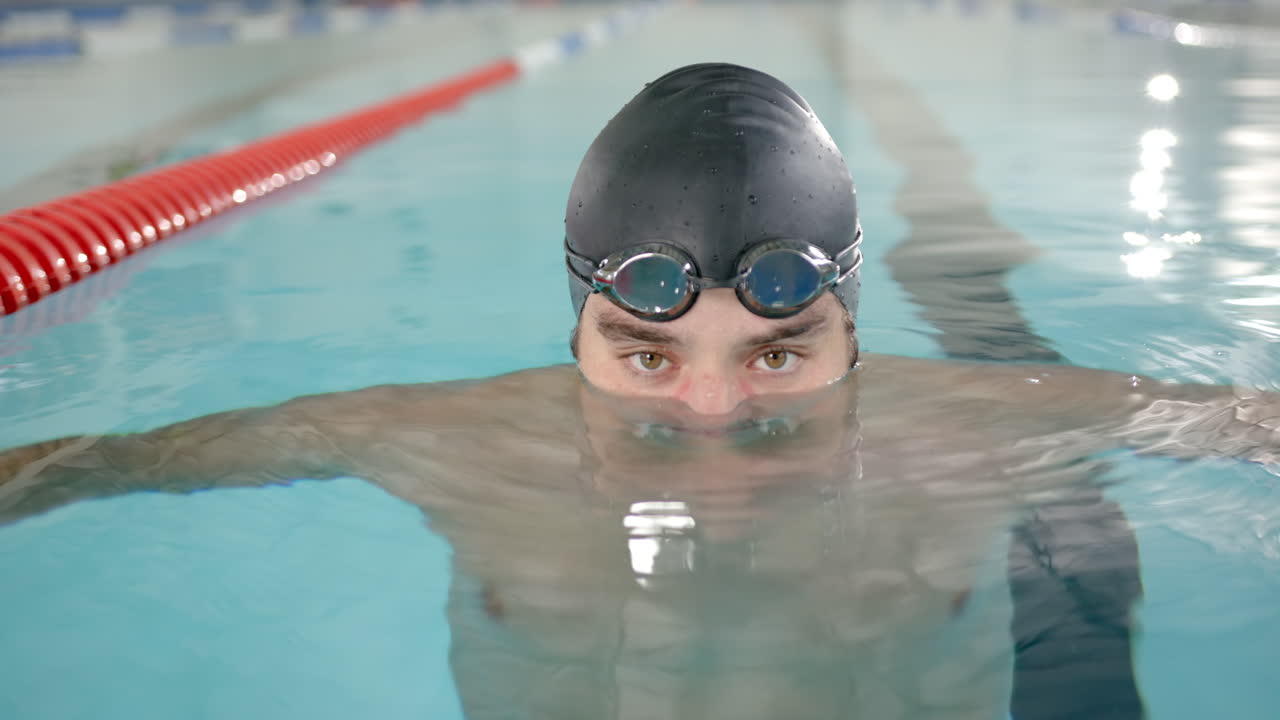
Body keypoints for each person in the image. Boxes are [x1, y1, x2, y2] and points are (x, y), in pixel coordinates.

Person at [1, 63, 1277, 719]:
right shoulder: (438, 439)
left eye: (774, 351)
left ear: (850, 333)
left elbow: (1242, 423)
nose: (713, 415)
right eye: (646, 354)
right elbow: (100, 462)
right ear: (576, 336)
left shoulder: (987, 428)